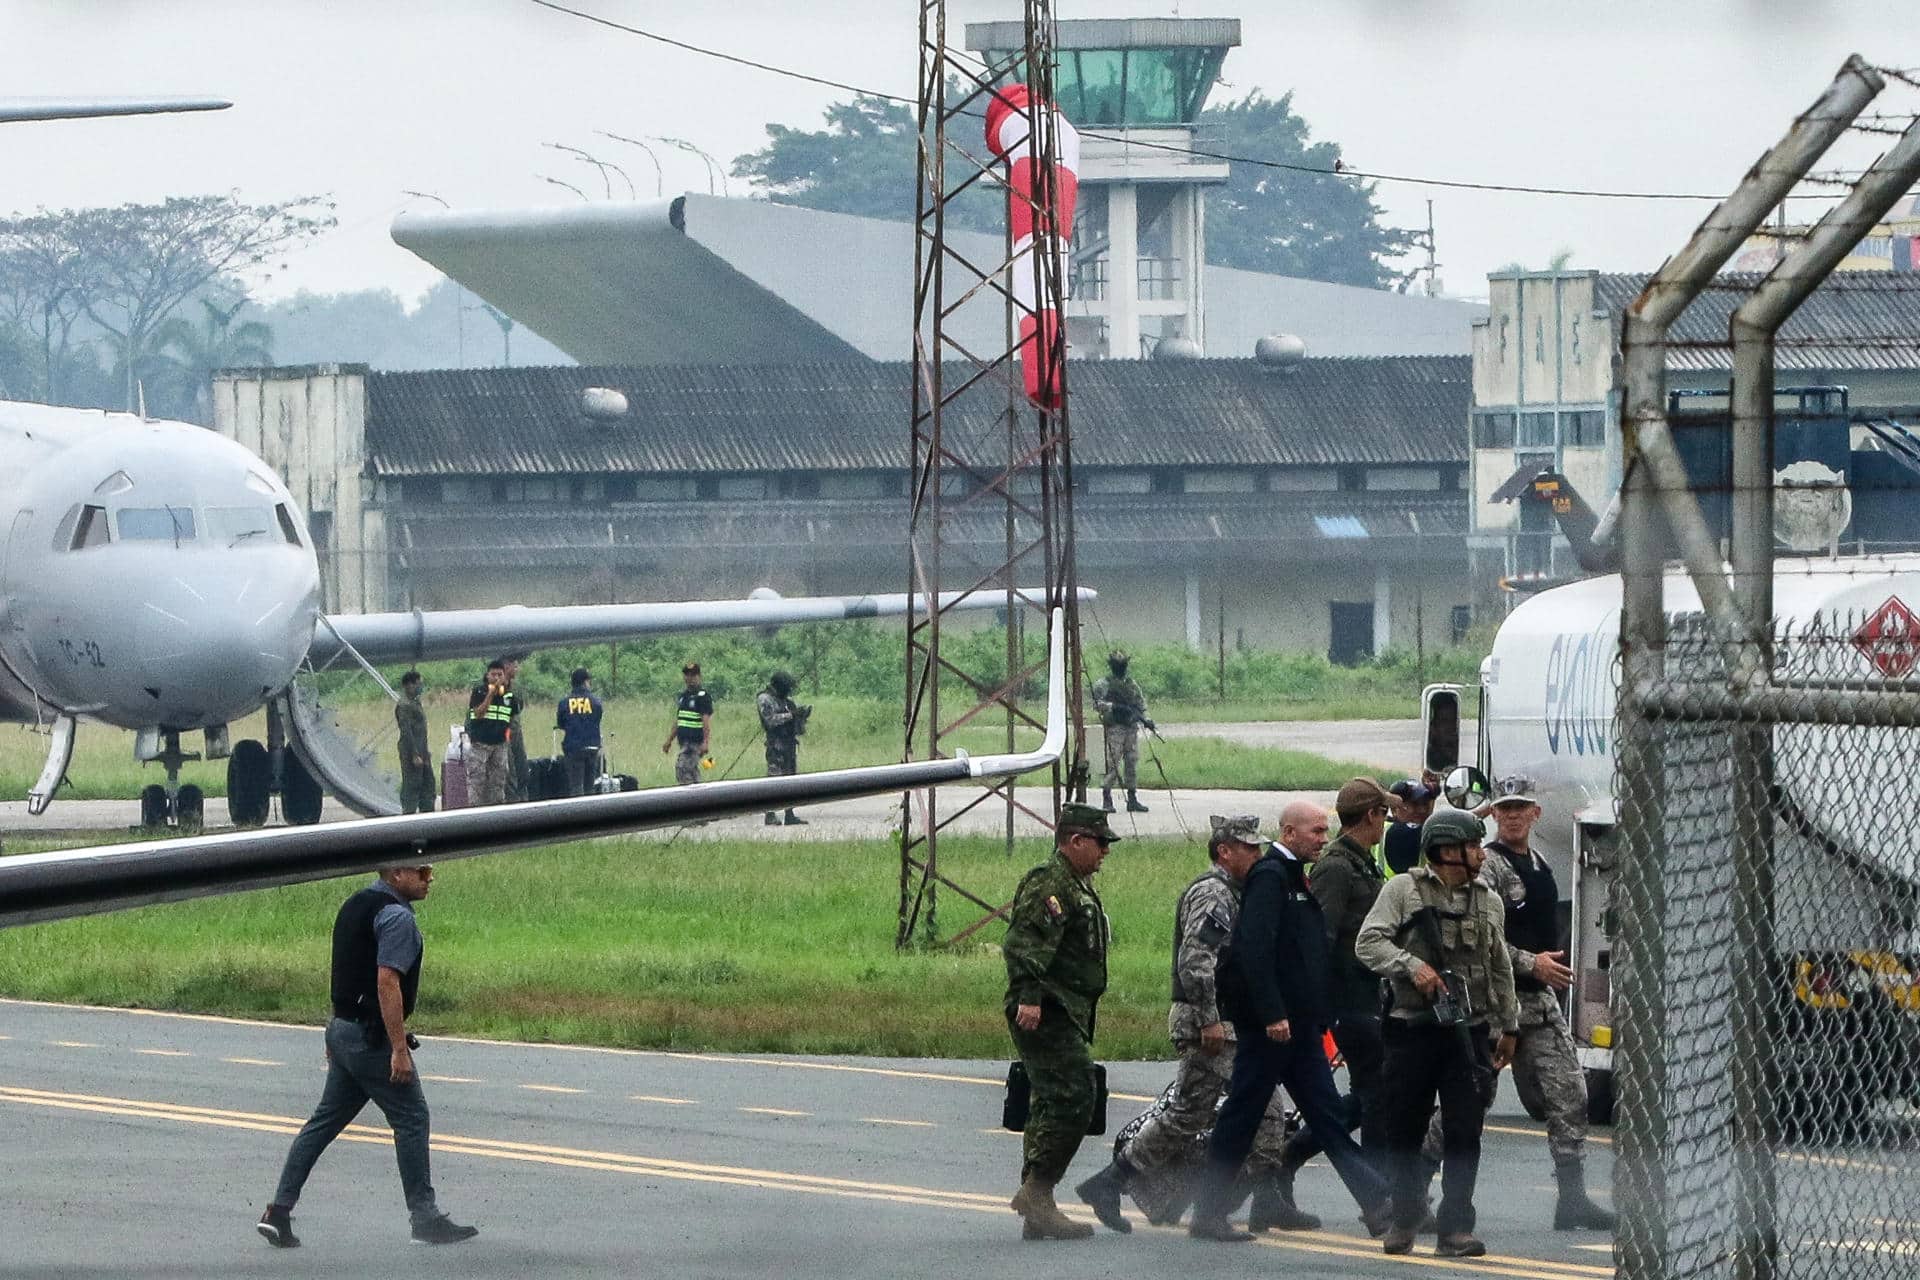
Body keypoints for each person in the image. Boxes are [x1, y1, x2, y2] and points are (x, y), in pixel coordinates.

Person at [1074, 816, 1302, 1234]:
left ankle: (1110, 1182)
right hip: (1210, 1025)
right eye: (1248, 848)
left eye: (1257, 847)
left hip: (1214, 1020)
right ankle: (1215, 1209)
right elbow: (1196, 962)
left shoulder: (1236, 891)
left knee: (1188, 1113)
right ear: (1224, 851)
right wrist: (1209, 1019)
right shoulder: (1214, 894)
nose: (1257, 855)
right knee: (1266, 1116)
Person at [1188, 801, 1391, 1243]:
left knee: (1329, 1116)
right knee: (1241, 1116)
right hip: (1272, 1029)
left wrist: (1314, 1015)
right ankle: (1208, 1212)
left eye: (1324, 831)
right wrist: (1271, 1012)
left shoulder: (1295, 875)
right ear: (1289, 832)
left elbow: (1305, 954)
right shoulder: (1270, 877)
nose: (1323, 838)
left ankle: (1378, 1204)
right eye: (1316, 831)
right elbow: (1255, 951)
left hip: (1300, 1027)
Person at [256, 865, 478, 1249]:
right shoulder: (396, 917)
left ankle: (278, 1212)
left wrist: (335, 1028)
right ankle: (425, 1219)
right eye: (421, 872)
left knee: (323, 1122)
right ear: (395, 874)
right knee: (411, 1117)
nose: (430, 878)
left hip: (344, 1029)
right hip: (368, 1037)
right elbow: (386, 980)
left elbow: (344, 969)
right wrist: (397, 1049)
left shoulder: (356, 903)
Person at [1356, 808, 1518, 1258]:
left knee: (1465, 1130)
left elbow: (1499, 964)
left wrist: (1510, 1025)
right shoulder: (1403, 891)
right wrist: (1413, 967)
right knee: (1405, 1129)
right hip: (1412, 1032)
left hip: (1469, 1033)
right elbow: (1368, 943)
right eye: (1471, 845)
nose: (1480, 854)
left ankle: (1455, 1229)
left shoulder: (1488, 899)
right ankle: (1406, 1217)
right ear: (1447, 849)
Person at [1473, 775, 1615, 1232]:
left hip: (1538, 1003)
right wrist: (1532, 963)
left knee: (1571, 1094)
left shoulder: (1538, 863)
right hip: (1498, 1001)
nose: (1513, 816)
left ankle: (1571, 1199)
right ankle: (1416, 1187)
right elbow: (1481, 939)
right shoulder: (1489, 868)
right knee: (1471, 1099)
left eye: (1521, 808)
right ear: (1493, 814)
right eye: (1504, 808)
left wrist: (1543, 973)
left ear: (1536, 813)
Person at [1267, 777, 1396, 1225]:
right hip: (1345, 997)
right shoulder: (1338, 867)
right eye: (1384, 813)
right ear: (1371, 816)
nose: (1387, 822)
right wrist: (1316, 1004)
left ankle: (1290, 1155)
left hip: (1366, 993)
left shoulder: (1361, 863)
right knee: (1377, 1095)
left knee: (1367, 1097)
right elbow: (1316, 937)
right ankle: (1380, 1196)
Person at [1002, 803, 1118, 1242]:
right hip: (1046, 1007)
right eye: (1100, 842)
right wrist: (1029, 996)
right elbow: (1023, 943)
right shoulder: (1050, 884)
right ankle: (1038, 1190)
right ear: (1075, 841)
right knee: (1075, 1095)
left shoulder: (1075, 885)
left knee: (1050, 1101)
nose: (1105, 852)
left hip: (1066, 1006)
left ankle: (1038, 1208)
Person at [1090, 649, 1153, 814]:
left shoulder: (1131, 684)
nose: (1121, 667)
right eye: (1118, 665)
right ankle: (1107, 798)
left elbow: (1140, 704)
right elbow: (1097, 704)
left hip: (1131, 727)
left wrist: (1147, 719)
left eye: (1123, 664)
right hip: (1115, 727)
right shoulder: (1103, 684)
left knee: (1131, 761)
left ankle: (1132, 798)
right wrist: (1115, 707)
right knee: (1113, 762)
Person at [756, 670, 811, 826]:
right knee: (774, 781)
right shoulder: (765, 699)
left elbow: (797, 726)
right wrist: (791, 715)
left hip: (789, 744)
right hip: (776, 745)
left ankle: (789, 814)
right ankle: (770, 814)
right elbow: (770, 720)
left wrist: (801, 716)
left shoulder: (786, 701)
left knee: (791, 780)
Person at [464, 659, 518, 806]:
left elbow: (512, 720)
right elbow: (478, 713)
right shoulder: (479, 692)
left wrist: (506, 738)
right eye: (493, 675)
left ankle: (496, 811)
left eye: (500, 675)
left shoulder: (510, 697)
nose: (496, 678)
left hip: (500, 745)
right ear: (487, 676)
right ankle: (475, 812)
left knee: (498, 780)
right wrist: (490, 695)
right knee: (477, 780)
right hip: (481, 744)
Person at [662, 660, 713, 785]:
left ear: (699, 677)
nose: (690, 679)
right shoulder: (683, 697)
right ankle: (700, 797)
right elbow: (679, 720)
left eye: (693, 675)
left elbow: (705, 722)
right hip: (684, 741)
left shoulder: (702, 696)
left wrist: (705, 742)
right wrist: (669, 740)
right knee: (692, 771)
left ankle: (689, 798)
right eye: (687, 675)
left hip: (694, 742)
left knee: (682, 768)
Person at [556, 667, 605, 797]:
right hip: (592, 747)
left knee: (576, 786)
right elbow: (598, 718)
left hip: (573, 749)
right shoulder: (596, 702)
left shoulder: (564, 703)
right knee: (590, 786)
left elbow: (561, 724)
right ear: (585, 682)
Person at [394, 670, 435, 815]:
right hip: (411, 751)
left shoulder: (415, 702)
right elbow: (406, 732)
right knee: (412, 786)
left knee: (428, 785)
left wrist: (425, 752)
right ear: (409, 685)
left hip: (422, 749)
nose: (420, 686)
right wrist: (414, 754)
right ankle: (408, 816)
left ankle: (427, 816)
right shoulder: (404, 705)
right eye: (418, 683)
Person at [1383, 776, 1440, 875]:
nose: (1422, 810)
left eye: (1425, 804)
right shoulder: (1396, 832)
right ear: (1395, 809)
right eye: (1415, 804)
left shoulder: (1385, 824)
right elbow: (1429, 831)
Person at [501, 656, 530, 803]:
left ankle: (523, 802)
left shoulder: (516, 688)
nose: (517, 669)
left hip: (516, 734)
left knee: (523, 770)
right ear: (506, 666)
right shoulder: (495, 687)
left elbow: (519, 709)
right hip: (503, 736)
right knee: (509, 775)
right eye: (514, 666)